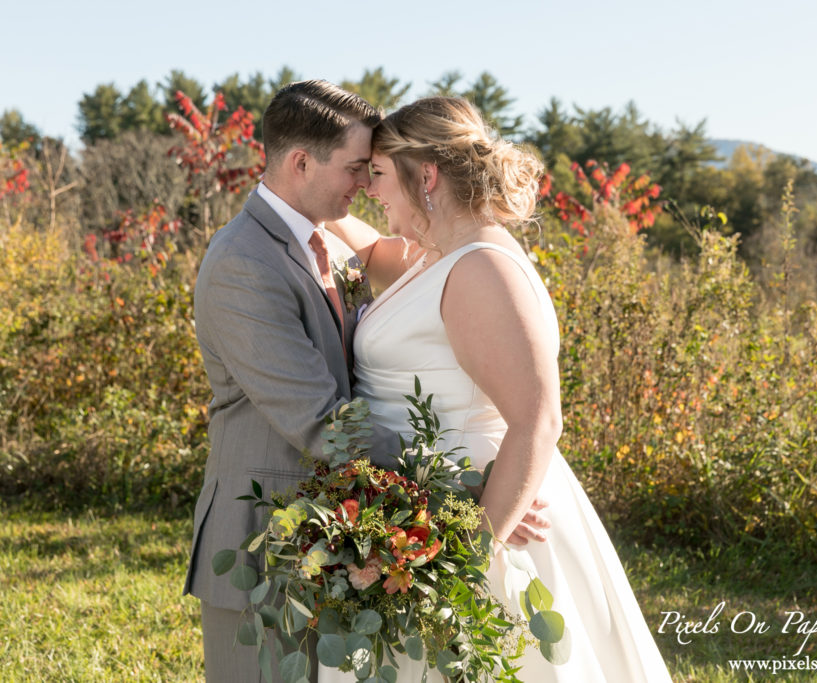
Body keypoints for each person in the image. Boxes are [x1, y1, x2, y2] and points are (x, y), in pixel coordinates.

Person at [183, 81, 551, 683]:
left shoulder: (329, 243)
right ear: (301, 163)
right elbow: (323, 422)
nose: (365, 185)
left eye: (376, 170)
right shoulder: (243, 265)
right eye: (357, 168)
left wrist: (490, 493)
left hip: (361, 537)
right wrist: (468, 491)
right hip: (268, 549)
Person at [326, 96, 673, 681]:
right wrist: (293, 180)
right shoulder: (436, 255)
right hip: (419, 506)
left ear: (426, 175)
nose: (369, 190)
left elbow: (538, 420)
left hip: (479, 512)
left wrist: (469, 552)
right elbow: (360, 246)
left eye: (379, 174)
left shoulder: (482, 268)